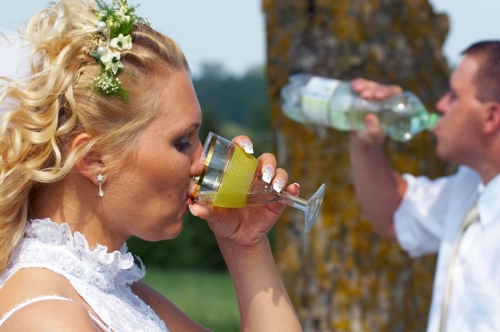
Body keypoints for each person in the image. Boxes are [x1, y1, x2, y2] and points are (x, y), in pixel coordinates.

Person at [0, 0, 302, 331]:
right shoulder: (51, 319)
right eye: (182, 142)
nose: (201, 161)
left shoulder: (114, 291)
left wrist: (246, 245)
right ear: (93, 158)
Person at [348, 41, 500, 332]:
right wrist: (365, 144)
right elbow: (394, 214)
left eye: (454, 96)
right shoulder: (468, 189)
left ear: (491, 117)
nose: (441, 105)